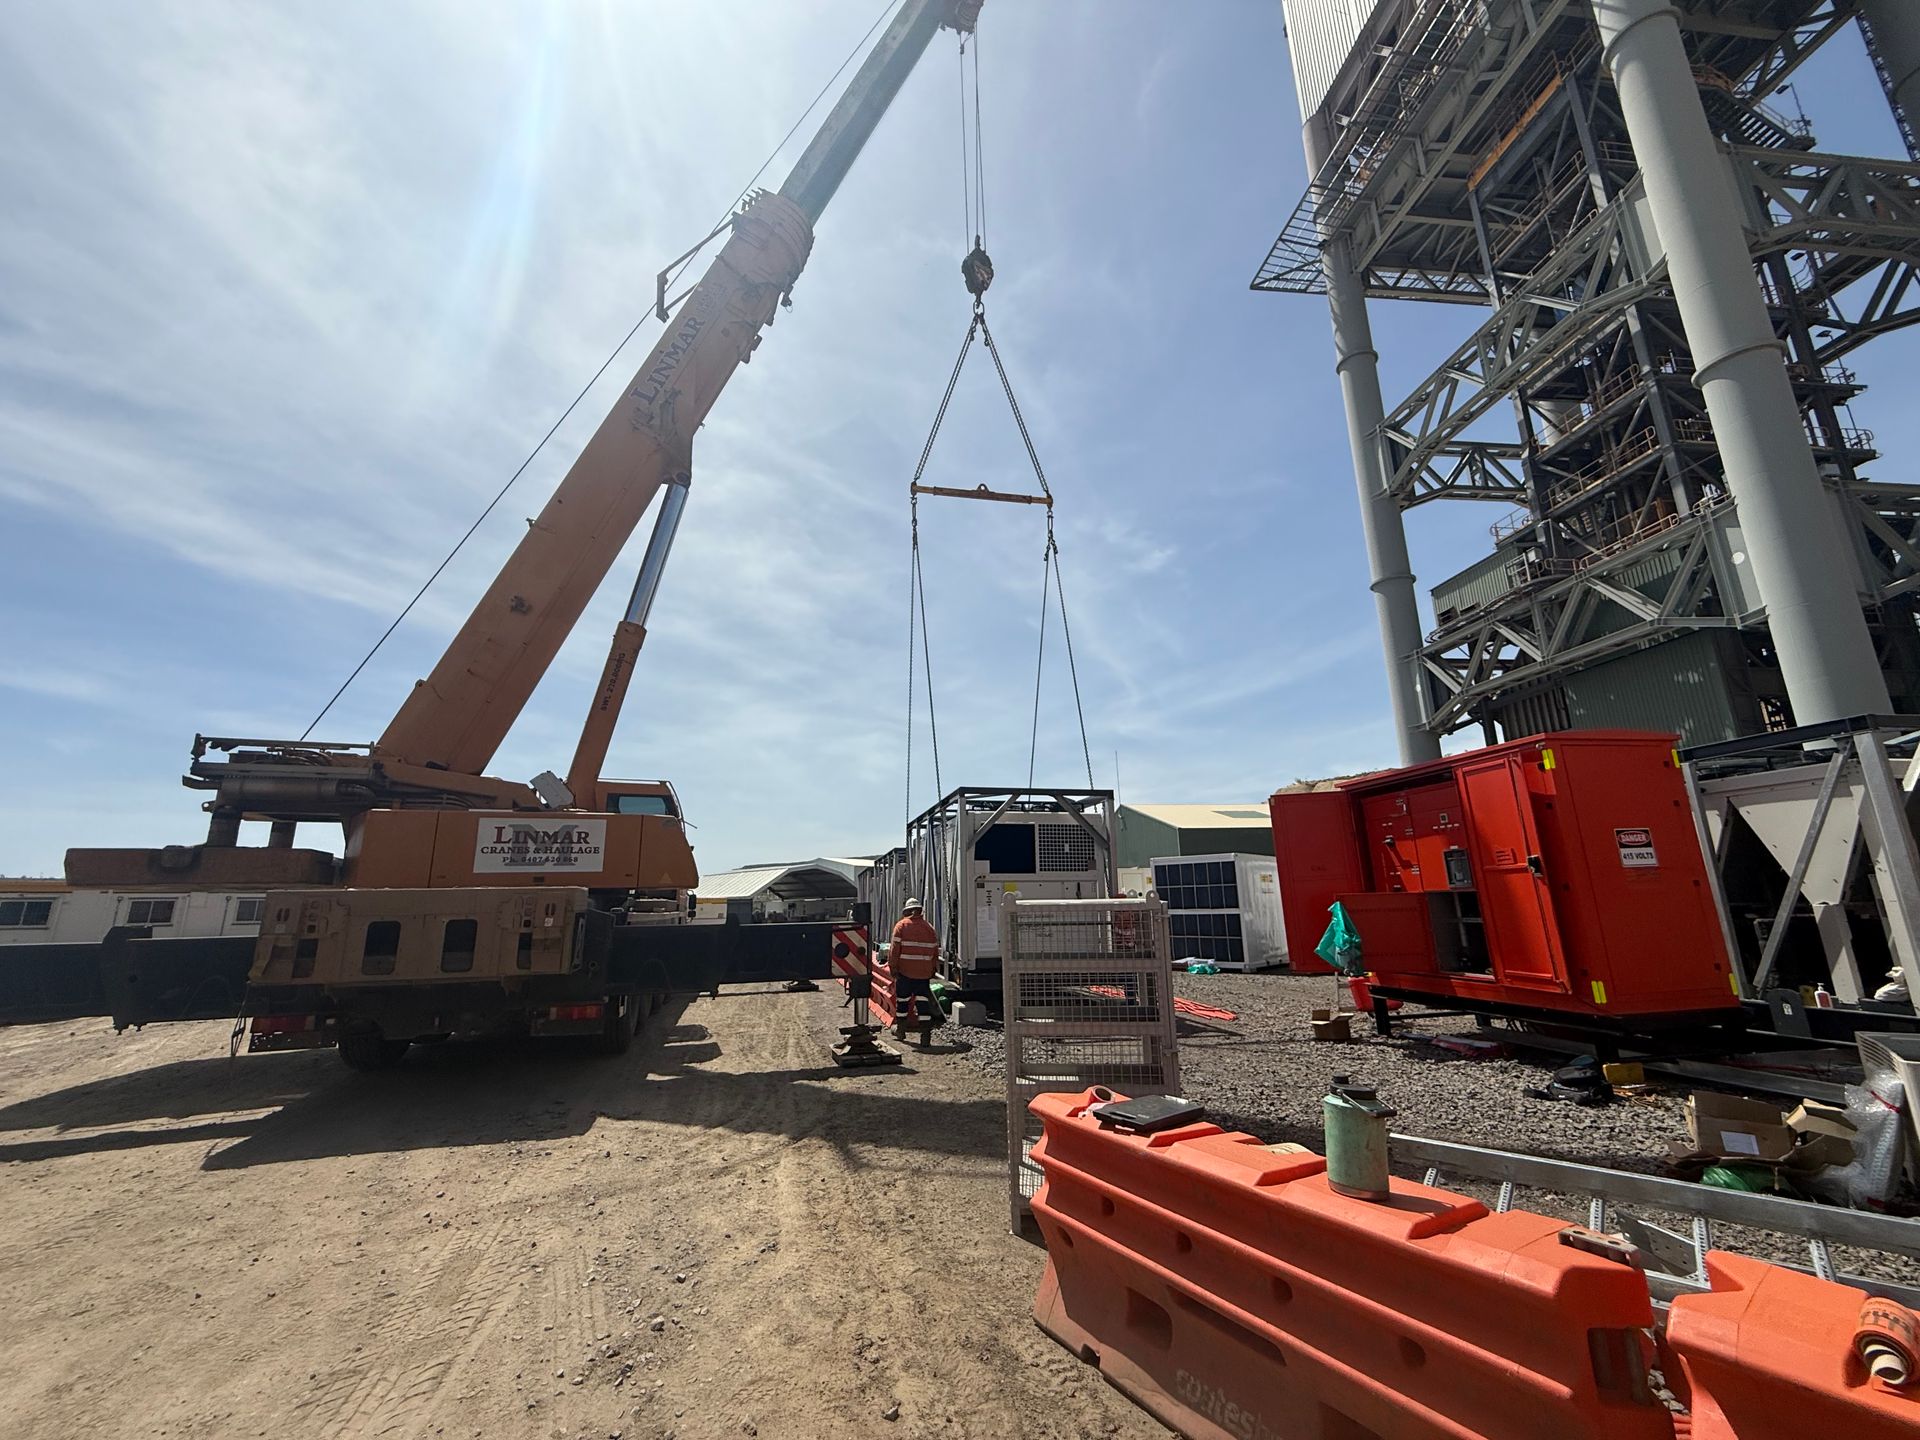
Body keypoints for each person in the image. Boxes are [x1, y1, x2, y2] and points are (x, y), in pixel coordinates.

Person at [887, 898, 941, 1044]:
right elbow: (935, 953)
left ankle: (901, 1030)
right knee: (923, 1004)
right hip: (923, 974)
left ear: (907, 911)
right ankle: (925, 1036)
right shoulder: (929, 928)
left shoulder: (901, 926)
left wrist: (893, 968)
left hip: (905, 973)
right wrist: (931, 970)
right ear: (920, 911)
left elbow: (894, 951)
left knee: (902, 1002)